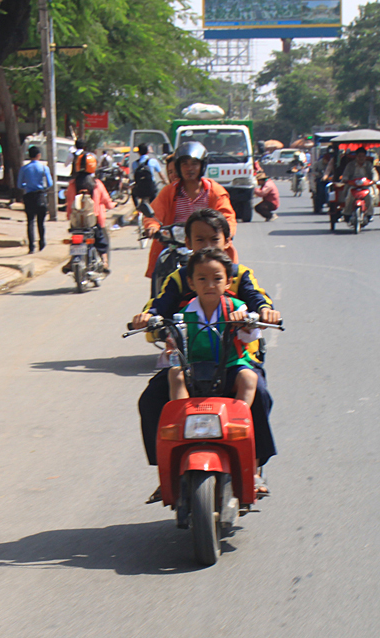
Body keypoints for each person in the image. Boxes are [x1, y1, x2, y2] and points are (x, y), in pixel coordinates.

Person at [131, 208, 280, 499]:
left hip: (234, 359)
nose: (207, 245)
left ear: (227, 241)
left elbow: (257, 298)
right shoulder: (180, 277)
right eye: (199, 240)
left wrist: (264, 312)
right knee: (150, 400)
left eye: (214, 239)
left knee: (259, 394)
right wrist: (147, 317)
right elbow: (160, 304)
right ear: (187, 242)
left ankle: (254, 466)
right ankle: (168, 466)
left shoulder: (239, 274)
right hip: (192, 361)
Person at [142, 141, 238, 298]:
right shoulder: (169, 191)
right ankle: (157, 304)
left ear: (202, 166)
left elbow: (227, 217)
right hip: (176, 244)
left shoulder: (215, 191)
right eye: (184, 164)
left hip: (209, 246)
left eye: (194, 163)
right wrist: (152, 226)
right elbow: (154, 213)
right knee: (160, 270)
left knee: (232, 279)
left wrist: (226, 232)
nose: (189, 168)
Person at [167, 248, 259, 408]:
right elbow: (173, 346)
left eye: (217, 278)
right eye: (202, 279)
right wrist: (170, 345)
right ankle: (184, 415)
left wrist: (244, 323)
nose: (210, 285)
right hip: (194, 367)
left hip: (231, 365)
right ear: (191, 282)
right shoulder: (183, 315)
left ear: (228, 282)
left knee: (249, 378)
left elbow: (251, 336)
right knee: (174, 374)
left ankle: (237, 418)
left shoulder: (237, 308)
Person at [65, 164, 114, 272]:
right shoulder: (97, 184)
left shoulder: (72, 184)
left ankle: (71, 260)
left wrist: (69, 215)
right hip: (94, 220)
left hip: (76, 221)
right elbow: (106, 200)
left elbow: (69, 201)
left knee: (76, 240)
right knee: (102, 240)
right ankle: (104, 261)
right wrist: (112, 205)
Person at [16, 145, 53, 253]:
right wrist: (42, 188)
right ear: (39, 155)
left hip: (29, 196)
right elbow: (50, 183)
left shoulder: (24, 168)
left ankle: (31, 246)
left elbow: (19, 185)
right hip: (40, 196)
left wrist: (27, 185)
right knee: (41, 222)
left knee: (30, 222)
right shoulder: (44, 168)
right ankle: (42, 243)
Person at [340, 147, 377, 219]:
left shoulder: (369, 165)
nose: (361, 158)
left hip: (366, 185)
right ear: (356, 157)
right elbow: (345, 174)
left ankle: (369, 214)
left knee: (370, 195)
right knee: (349, 196)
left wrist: (373, 180)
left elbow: (374, 173)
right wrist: (345, 179)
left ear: (365, 157)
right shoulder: (350, 165)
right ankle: (347, 213)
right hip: (353, 185)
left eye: (363, 156)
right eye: (359, 156)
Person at [131, 142, 164, 206]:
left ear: (138, 152)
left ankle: (137, 207)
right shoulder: (153, 161)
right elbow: (161, 174)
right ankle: (153, 207)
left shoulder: (134, 163)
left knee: (133, 193)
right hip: (151, 189)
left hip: (140, 189)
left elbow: (134, 176)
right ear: (148, 152)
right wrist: (166, 181)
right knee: (155, 199)